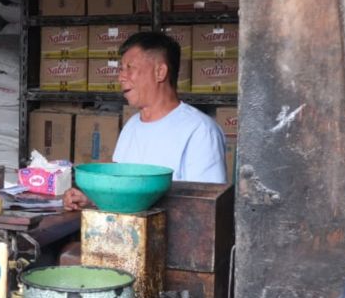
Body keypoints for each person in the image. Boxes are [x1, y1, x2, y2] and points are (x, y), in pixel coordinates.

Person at [64, 31, 227, 211]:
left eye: (130, 67)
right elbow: (121, 189)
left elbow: (208, 207)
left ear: (160, 72)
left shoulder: (200, 130)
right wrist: (92, 198)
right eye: (121, 69)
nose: (121, 77)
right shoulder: (132, 125)